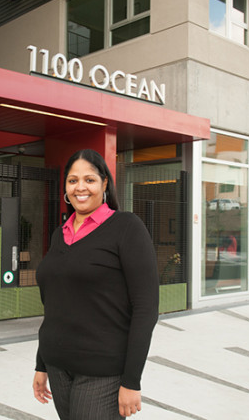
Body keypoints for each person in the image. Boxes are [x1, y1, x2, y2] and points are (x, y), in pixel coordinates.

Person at [32, 149, 159, 419]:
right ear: (65, 188)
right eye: (72, 180)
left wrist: (131, 380)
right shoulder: (60, 234)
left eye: (89, 180)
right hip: (58, 365)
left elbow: (146, 308)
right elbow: (54, 305)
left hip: (103, 372)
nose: (80, 187)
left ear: (104, 184)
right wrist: (41, 363)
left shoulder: (126, 227)